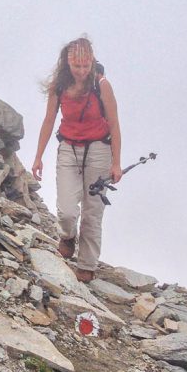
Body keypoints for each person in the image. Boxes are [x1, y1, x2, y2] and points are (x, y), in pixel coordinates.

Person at [32, 36, 122, 283]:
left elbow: (114, 124)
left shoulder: (101, 85)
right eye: (76, 66)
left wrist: (116, 162)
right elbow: (49, 121)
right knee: (67, 209)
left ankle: (87, 265)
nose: (82, 71)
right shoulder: (58, 87)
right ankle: (67, 236)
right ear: (67, 64)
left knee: (93, 210)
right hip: (68, 148)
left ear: (92, 62)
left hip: (99, 150)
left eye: (86, 66)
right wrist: (38, 157)